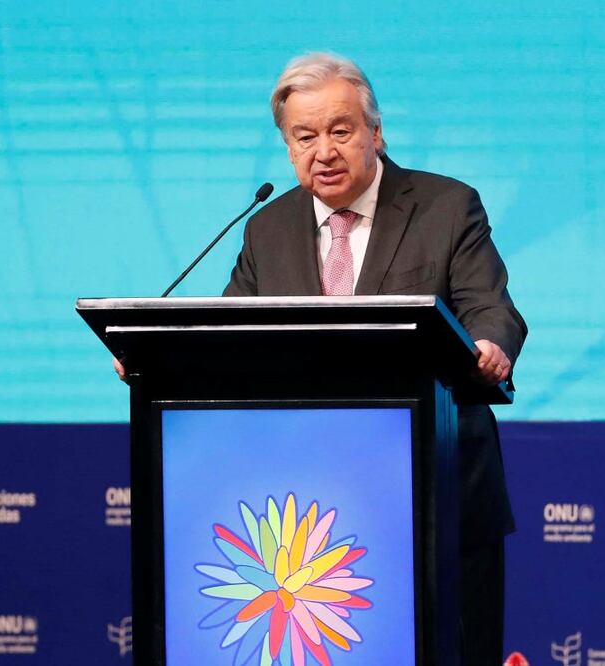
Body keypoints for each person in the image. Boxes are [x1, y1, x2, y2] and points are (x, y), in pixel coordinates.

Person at [117, 52, 527, 664]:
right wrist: (157, 358)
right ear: (288, 148)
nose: (324, 151)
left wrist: (489, 345)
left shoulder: (446, 206)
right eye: (305, 137)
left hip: (437, 490)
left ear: (375, 133)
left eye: (340, 130)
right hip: (305, 500)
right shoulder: (268, 228)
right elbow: (227, 334)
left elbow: (491, 308)